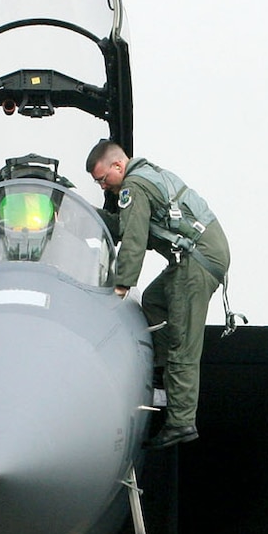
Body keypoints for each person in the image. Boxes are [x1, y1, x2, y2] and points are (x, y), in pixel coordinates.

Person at [86, 139, 229, 448]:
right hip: (197, 256)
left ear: (118, 166)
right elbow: (126, 226)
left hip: (194, 263)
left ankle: (180, 422)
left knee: (183, 343)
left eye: (102, 179)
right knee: (153, 301)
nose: (103, 187)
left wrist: (120, 286)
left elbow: (134, 240)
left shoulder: (133, 188)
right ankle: (161, 374)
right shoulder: (150, 175)